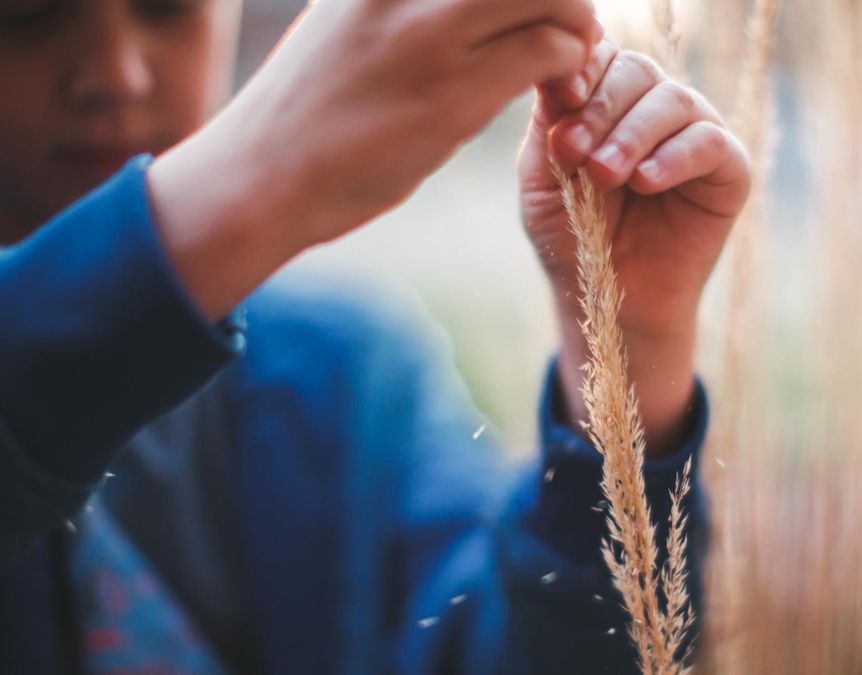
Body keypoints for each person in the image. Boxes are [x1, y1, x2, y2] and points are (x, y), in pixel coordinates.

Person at [0, 0, 751, 672]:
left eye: (167, 8)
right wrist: (261, 170)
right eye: (28, 18)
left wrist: (627, 356)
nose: (116, 74)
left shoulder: (345, 375)